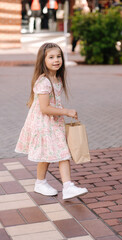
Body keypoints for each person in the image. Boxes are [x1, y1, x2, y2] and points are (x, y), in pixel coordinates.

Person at [15, 43, 88, 200]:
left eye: (59, 56)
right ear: (43, 60)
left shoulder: (57, 79)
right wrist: (66, 112)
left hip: (53, 123)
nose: (56, 60)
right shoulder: (44, 82)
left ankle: (45, 183)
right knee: (60, 153)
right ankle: (62, 186)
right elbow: (45, 108)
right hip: (44, 124)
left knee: (51, 154)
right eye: (51, 57)